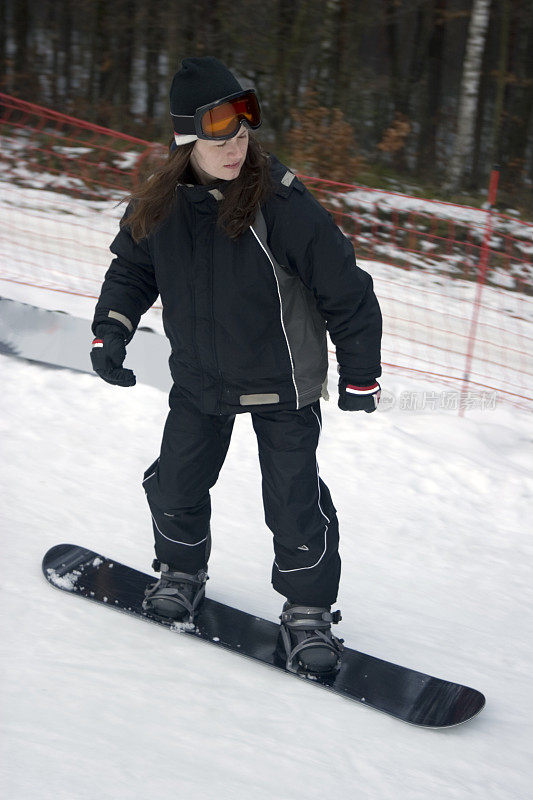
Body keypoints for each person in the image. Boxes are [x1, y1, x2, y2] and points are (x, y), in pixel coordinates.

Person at [90, 56, 382, 676]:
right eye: (221, 135)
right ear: (185, 140)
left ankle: (307, 613)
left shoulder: (280, 202)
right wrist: (110, 333)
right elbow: (131, 271)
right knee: (176, 484)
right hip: (201, 380)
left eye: (244, 132)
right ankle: (180, 571)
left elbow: (346, 289)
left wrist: (360, 372)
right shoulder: (160, 204)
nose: (237, 146)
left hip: (283, 384)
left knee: (293, 504)